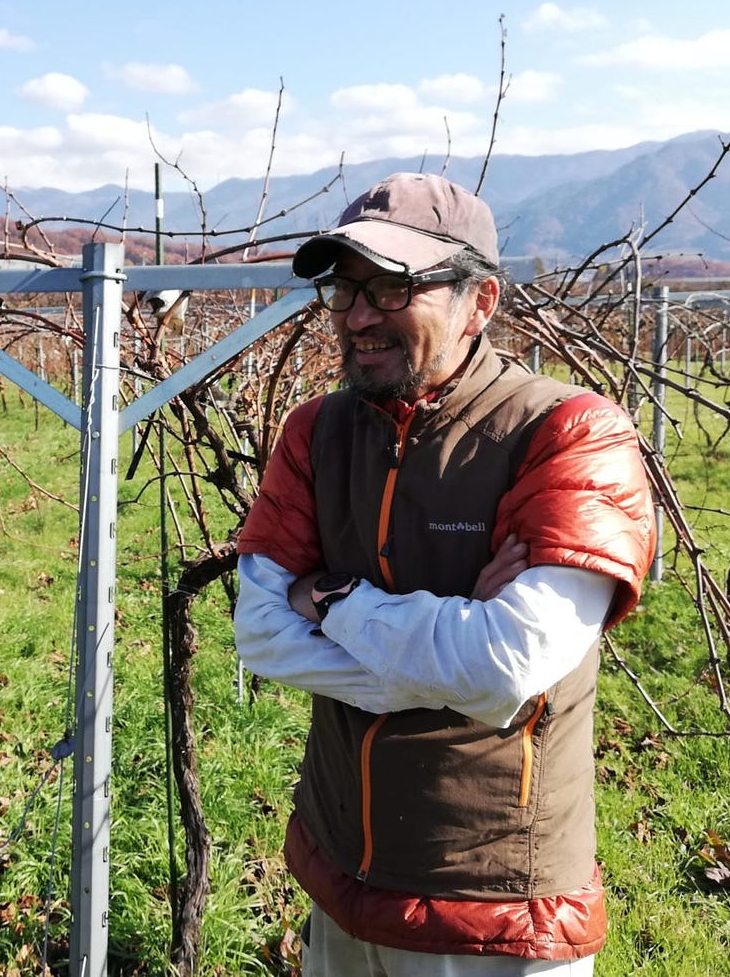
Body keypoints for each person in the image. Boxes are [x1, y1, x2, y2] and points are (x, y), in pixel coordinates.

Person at [234, 172, 655, 976]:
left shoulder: (571, 434)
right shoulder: (315, 433)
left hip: (493, 900)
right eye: (345, 289)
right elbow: (259, 635)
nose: (360, 316)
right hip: (336, 875)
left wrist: (328, 598)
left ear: (480, 302)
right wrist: (457, 651)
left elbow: (509, 665)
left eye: (394, 288)